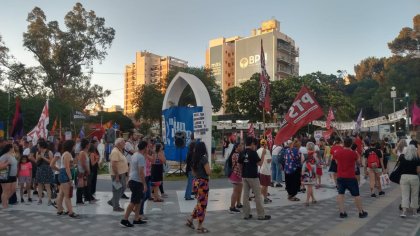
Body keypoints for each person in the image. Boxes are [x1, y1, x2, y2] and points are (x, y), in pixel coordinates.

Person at [334, 137, 368, 218]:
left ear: (344, 144)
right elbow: (359, 163)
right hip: (350, 177)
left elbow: (336, 162)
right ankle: (361, 212)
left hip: (340, 176)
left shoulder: (338, 152)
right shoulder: (353, 153)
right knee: (356, 195)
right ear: (351, 144)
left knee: (340, 194)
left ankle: (342, 212)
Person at [238, 137, 271, 220]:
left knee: (245, 196)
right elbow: (259, 163)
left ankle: (246, 214)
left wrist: (243, 172)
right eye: (255, 145)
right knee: (258, 196)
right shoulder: (253, 153)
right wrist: (263, 154)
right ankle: (261, 215)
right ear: (252, 144)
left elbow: (240, 165)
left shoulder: (242, 152)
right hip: (253, 176)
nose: (255, 146)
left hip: (244, 176)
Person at [120, 140, 148, 227]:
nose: (148, 149)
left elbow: (130, 168)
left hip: (133, 180)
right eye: (147, 147)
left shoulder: (134, 155)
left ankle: (136, 219)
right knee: (133, 201)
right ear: (144, 148)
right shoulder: (140, 157)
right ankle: (125, 219)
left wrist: (128, 179)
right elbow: (141, 172)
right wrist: (144, 184)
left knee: (139, 200)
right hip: (137, 181)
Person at [185, 142, 211, 233]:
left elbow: (193, 173)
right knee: (202, 205)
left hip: (196, 182)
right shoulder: (203, 159)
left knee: (199, 203)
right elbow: (208, 172)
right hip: (203, 183)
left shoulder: (194, 159)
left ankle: (190, 220)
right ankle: (200, 226)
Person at [51, 140, 79, 218]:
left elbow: (70, 166)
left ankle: (59, 210)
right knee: (67, 195)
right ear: (71, 146)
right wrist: (70, 179)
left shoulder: (67, 154)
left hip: (63, 173)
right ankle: (70, 212)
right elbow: (67, 167)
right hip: (65, 174)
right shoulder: (67, 154)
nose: (75, 146)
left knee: (62, 194)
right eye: (74, 145)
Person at [397, 144, 420, 218]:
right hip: (414, 177)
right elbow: (418, 170)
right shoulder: (417, 159)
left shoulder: (403, 158)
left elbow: (399, 168)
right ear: (414, 151)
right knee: (414, 195)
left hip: (404, 177)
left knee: (405, 195)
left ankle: (403, 212)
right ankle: (414, 212)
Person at [108, 138, 128, 212]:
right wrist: (116, 175)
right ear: (119, 143)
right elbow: (113, 164)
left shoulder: (119, 151)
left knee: (122, 188)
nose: (124, 144)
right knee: (117, 190)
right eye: (123, 142)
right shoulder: (115, 151)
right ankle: (116, 206)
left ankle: (112, 201)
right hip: (117, 174)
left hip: (121, 173)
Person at [35, 140, 54, 205]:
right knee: (39, 185)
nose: (37, 147)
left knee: (47, 185)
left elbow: (51, 162)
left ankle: (49, 200)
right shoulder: (38, 152)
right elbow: (36, 161)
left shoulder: (49, 152)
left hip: (47, 170)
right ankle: (40, 199)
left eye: (38, 145)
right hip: (39, 170)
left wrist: (43, 157)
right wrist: (39, 158)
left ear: (42, 146)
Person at [76, 138, 94, 204]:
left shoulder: (85, 153)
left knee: (86, 184)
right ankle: (79, 200)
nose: (89, 146)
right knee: (80, 185)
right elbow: (83, 163)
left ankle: (87, 198)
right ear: (86, 145)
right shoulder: (82, 153)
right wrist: (87, 170)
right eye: (88, 144)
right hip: (81, 171)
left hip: (84, 171)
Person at [0, 144, 18, 209]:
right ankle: (4, 205)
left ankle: (4, 201)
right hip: (6, 176)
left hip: (13, 176)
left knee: (13, 190)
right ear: (10, 148)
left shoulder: (12, 155)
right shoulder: (4, 156)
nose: (14, 148)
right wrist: (7, 163)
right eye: (13, 147)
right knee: (6, 191)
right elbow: (0, 166)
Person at [228, 143, 243, 213]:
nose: (242, 147)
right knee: (235, 191)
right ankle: (232, 206)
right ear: (236, 147)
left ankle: (238, 204)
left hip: (238, 175)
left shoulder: (237, 154)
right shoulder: (236, 155)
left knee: (239, 191)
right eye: (240, 146)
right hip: (236, 174)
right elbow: (240, 165)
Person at [257, 139, 272, 204]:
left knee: (263, 185)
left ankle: (265, 198)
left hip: (260, 169)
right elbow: (268, 160)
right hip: (266, 170)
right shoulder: (267, 151)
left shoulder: (257, 150)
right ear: (265, 144)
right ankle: (258, 197)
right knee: (265, 185)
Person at [302, 142, 317, 206]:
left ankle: (308, 200)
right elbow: (318, 162)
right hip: (312, 171)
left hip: (306, 170)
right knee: (310, 186)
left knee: (309, 186)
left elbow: (302, 162)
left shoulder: (304, 153)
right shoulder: (315, 154)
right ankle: (312, 199)